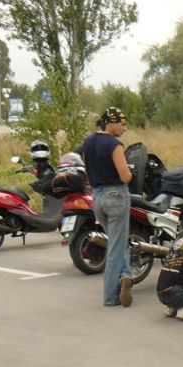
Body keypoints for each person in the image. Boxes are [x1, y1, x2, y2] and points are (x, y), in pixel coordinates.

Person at [81, 106, 134, 307]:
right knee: (115, 248)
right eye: (122, 124)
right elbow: (125, 176)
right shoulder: (114, 144)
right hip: (116, 196)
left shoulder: (87, 142)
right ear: (111, 123)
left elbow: (88, 173)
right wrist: (130, 172)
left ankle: (126, 275)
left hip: (97, 197)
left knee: (118, 243)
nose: (125, 128)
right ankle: (111, 296)